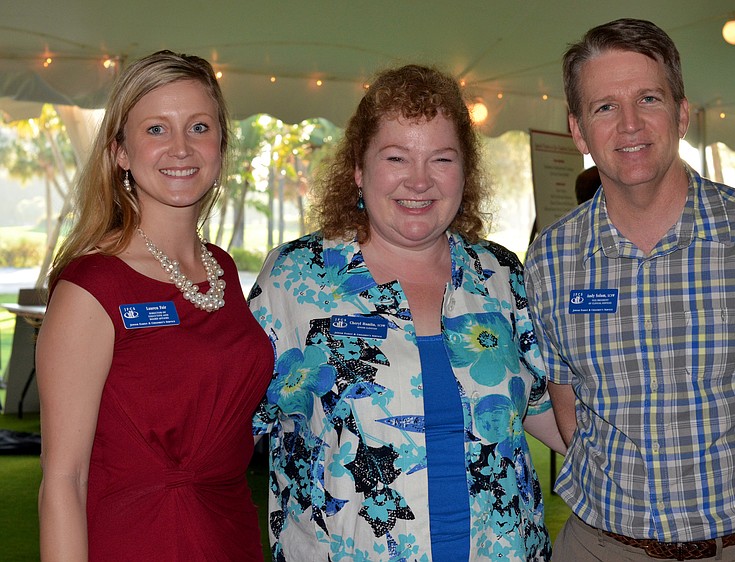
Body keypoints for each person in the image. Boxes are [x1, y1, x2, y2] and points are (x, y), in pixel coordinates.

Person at [525, 18, 735, 561]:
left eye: (648, 98)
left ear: (680, 114)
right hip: (603, 548)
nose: (629, 124)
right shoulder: (552, 260)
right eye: (604, 106)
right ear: (578, 130)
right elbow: (570, 415)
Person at [249, 64, 565, 561]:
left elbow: (552, 413)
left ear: (465, 170)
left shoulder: (498, 274)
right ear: (359, 168)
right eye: (396, 157)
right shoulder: (297, 279)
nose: (419, 180)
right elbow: (228, 424)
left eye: (441, 159)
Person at [36, 50, 273, 561]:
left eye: (199, 126)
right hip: (137, 540)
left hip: (229, 533)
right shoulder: (92, 286)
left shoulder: (222, 271)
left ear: (220, 144)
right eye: (156, 130)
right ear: (120, 151)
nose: (182, 148)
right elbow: (63, 479)